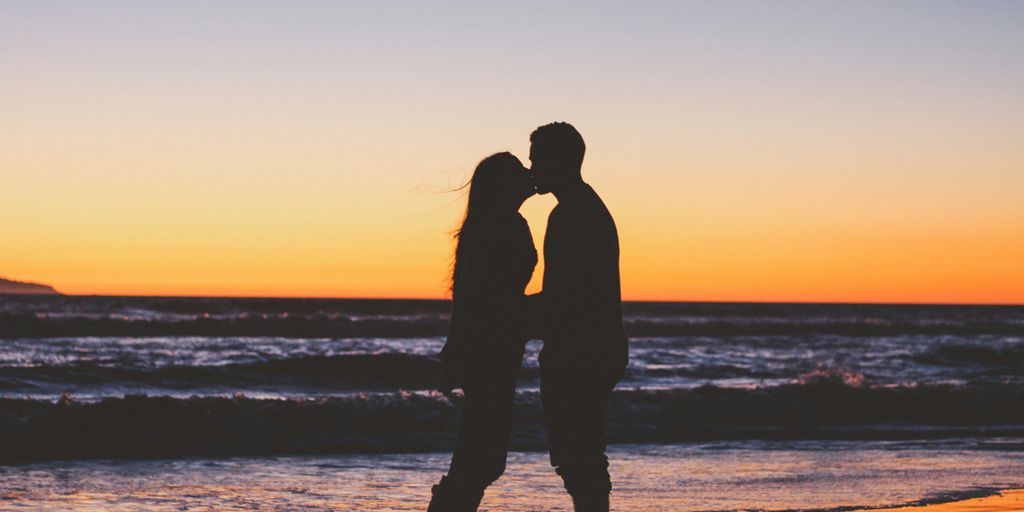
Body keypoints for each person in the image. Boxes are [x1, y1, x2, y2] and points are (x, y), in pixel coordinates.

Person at [428, 152, 537, 511]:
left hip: (496, 350)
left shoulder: (496, 223)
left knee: (481, 454)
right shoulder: (501, 226)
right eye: (520, 170)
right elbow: (482, 299)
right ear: (505, 185)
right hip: (492, 351)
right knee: (482, 456)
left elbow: (471, 298)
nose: (529, 173)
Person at [528, 122, 628, 512]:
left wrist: (503, 315)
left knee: (577, 456)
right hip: (597, 347)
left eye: (537, 158)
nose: (532, 166)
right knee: (582, 453)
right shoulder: (584, 206)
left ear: (560, 161)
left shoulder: (571, 213)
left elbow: (562, 296)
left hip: (581, 351)